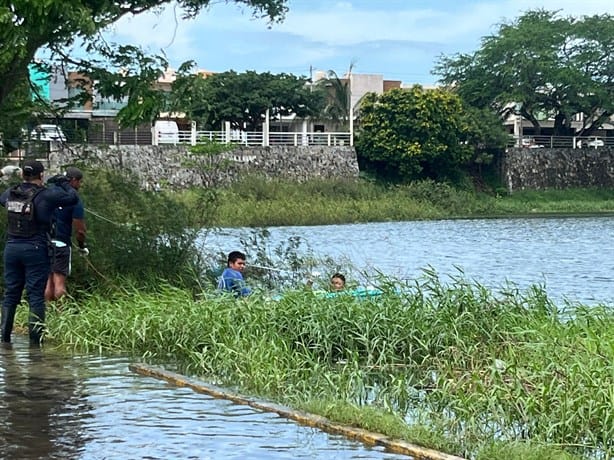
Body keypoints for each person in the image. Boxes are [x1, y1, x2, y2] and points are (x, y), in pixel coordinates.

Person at [0, 160, 78, 346]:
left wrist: (2, 173)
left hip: (11, 248)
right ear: (41, 175)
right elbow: (72, 198)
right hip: (35, 248)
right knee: (35, 295)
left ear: (22, 175)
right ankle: (35, 345)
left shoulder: (10, 193)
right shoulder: (46, 195)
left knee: (11, 293)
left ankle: (4, 341)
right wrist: (63, 182)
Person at [45, 167, 88, 302]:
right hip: (61, 244)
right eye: (79, 182)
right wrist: (81, 246)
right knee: (59, 283)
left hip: (44, 242)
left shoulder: (49, 193)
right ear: (73, 181)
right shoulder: (74, 199)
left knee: (47, 282)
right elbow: (80, 229)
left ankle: (46, 314)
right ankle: (61, 313)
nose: (79, 185)